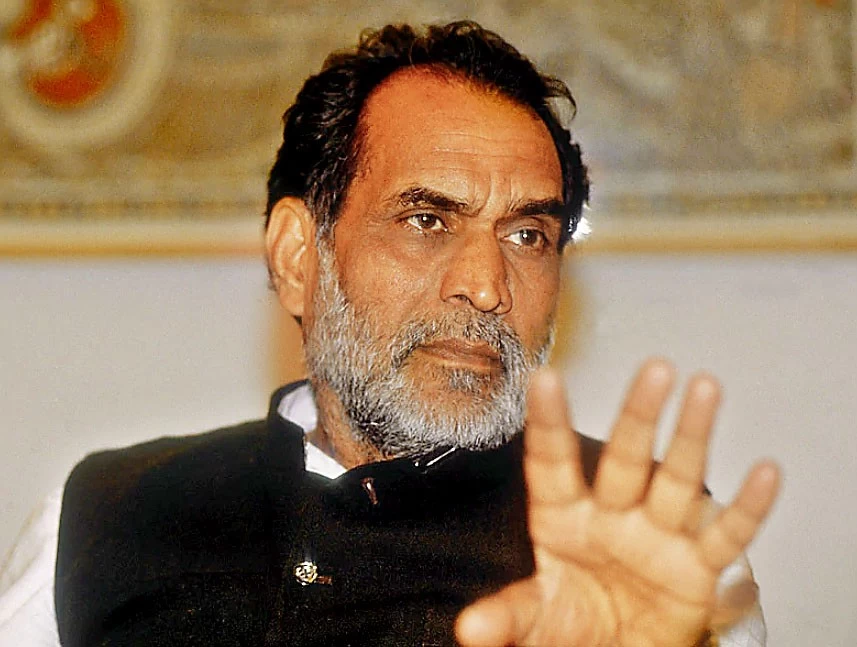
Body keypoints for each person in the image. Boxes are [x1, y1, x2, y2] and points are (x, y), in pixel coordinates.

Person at [2, 21, 779, 646]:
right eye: (427, 219)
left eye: (526, 236)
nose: (485, 285)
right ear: (299, 256)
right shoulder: (103, 515)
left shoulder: (652, 541)